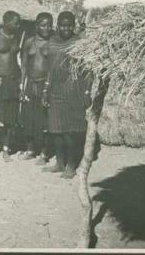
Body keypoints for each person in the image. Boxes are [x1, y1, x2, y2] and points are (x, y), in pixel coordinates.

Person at [42, 11, 94, 179]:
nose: (66, 28)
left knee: (71, 131)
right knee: (56, 129)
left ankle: (71, 165)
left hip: (74, 90)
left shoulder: (80, 43)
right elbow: (49, 69)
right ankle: (59, 162)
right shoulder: (52, 43)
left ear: (74, 26)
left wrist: (87, 91)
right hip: (56, 90)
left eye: (69, 25)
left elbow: (88, 70)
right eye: (63, 25)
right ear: (58, 25)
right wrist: (45, 89)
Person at [0, 11, 21, 162]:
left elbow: (16, 60)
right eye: (15, 22)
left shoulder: (16, 38)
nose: (17, 25)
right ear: (6, 22)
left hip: (12, 81)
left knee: (9, 119)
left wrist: (19, 82)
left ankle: (5, 149)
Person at [19, 12, 53, 162]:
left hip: (45, 85)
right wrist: (21, 86)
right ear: (37, 26)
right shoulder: (29, 42)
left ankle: (44, 153)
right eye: (43, 25)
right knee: (29, 117)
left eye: (50, 25)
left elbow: (52, 68)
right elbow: (24, 66)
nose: (47, 28)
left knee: (44, 118)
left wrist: (47, 86)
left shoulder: (53, 43)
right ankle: (30, 149)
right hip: (30, 84)